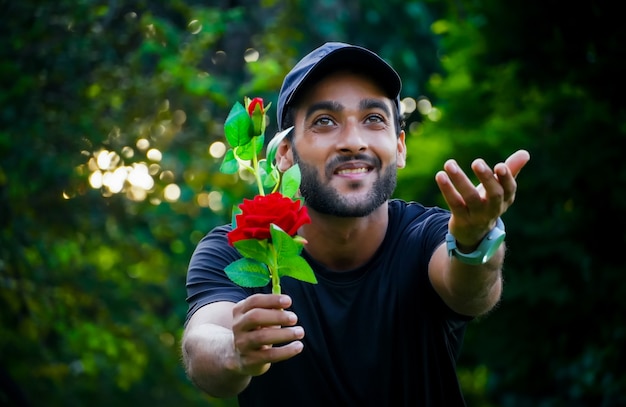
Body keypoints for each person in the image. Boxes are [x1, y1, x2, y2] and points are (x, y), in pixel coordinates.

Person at [182, 41, 530, 406]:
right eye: (325, 121)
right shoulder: (241, 249)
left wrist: (476, 242)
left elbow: (471, 291)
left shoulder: (425, 235)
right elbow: (202, 343)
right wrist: (234, 351)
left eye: (374, 119)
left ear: (399, 148)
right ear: (284, 153)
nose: (352, 141)